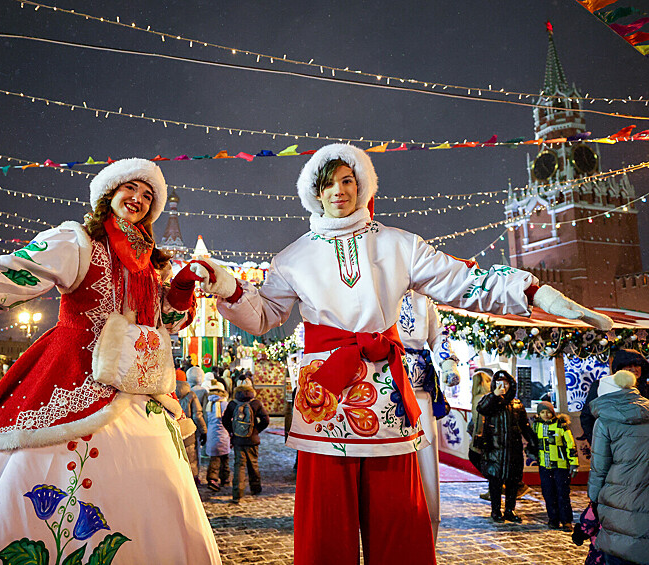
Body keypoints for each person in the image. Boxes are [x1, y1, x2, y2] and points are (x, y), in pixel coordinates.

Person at [188, 143, 611, 564]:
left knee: (399, 517)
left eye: (347, 180)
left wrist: (535, 291)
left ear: (363, 186)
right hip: (326, 399)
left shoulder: (399, 245)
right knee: (325, 522)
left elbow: (462, 281)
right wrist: (227, 286)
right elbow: (263, 316)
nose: (339, 191)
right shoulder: (291, 258)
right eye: (327, 184)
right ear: (314, 193)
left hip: (385, 391)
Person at [0, 158, 220, 564]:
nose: (138, 199)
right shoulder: (77, 243)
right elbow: (14, 272)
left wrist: (180, 288)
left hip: (139, 389)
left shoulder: (152, 265)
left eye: (147, 195)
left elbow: (168, 321)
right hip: (73, 374)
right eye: (131, 189)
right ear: (109, 194)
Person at [397, 290, 461, 544]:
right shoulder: (373, 285)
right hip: (382, 387)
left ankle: (426, 532)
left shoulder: (423, 299)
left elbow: (439, 336)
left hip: (421, 392)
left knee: (426, 460)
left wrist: (448, 364)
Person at [588, 369, 649, 565]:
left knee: (620, 551)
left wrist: (594, 499)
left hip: (618, 499)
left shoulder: (605, 420)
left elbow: (599, 467)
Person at [477, 370, 538, 523]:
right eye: (499, 383)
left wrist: (533, 442)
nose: (503, 386)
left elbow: (524, 426)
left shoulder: (517, 404)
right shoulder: (490, 400)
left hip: (513, 450)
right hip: (494, 449)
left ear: (511, 385)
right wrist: (494, 396)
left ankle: (510, 510)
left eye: (506, 383)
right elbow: (481, 408)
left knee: (513, 482)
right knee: (495, 482)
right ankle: (496, 510)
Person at [580, 348, 649, 445]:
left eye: (637, 365)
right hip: (614, 445)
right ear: (619, 368)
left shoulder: (646, 388)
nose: (634, 369)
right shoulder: (602, 386)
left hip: (642, 447)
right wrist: (597, 443)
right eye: (629, 366)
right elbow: (587, 417)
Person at [532, 400, 578, 529]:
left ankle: (566, 520)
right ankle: (553, 518)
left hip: (561, 465)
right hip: (544, 465)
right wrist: (531, 452)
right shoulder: (537, 426)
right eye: (542, 412)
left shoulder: (561, 426)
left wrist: (573, 463)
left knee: (562, 493)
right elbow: (533, 442)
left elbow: (570, 445)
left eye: (548, 412)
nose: (545, 415)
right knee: (548, 493)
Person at [222, 381, 269, 503]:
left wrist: (232, 432)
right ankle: (255, 488)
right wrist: (255, 431)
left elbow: (225, 420)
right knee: (253, 464)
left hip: (238, 440)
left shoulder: (233, 404)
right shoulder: (256, 403)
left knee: (239, 466)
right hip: (252, 440)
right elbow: (265, 420)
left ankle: (238, 493)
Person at [176, 369, 206, 484]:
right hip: (189, 431)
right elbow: (197, 415)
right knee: (192, 457)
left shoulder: (167, 395)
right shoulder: (191, 395)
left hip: (174, 431)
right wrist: (204, 431)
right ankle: (193, 479)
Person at [204, 382, 231, 492]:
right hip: (223, 435)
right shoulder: (225, 405)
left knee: (214, 458)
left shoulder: (209, 404)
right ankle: (224, 479)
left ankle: (212, 478)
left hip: (211, 435)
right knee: (224, 459)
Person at [467, 369, 493, 474]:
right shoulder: (489, 397)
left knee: (474, 456)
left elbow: (479, 420)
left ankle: (494, 485)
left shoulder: (478, 398)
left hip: (482, 436)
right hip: (489, 435)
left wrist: (477, 437)